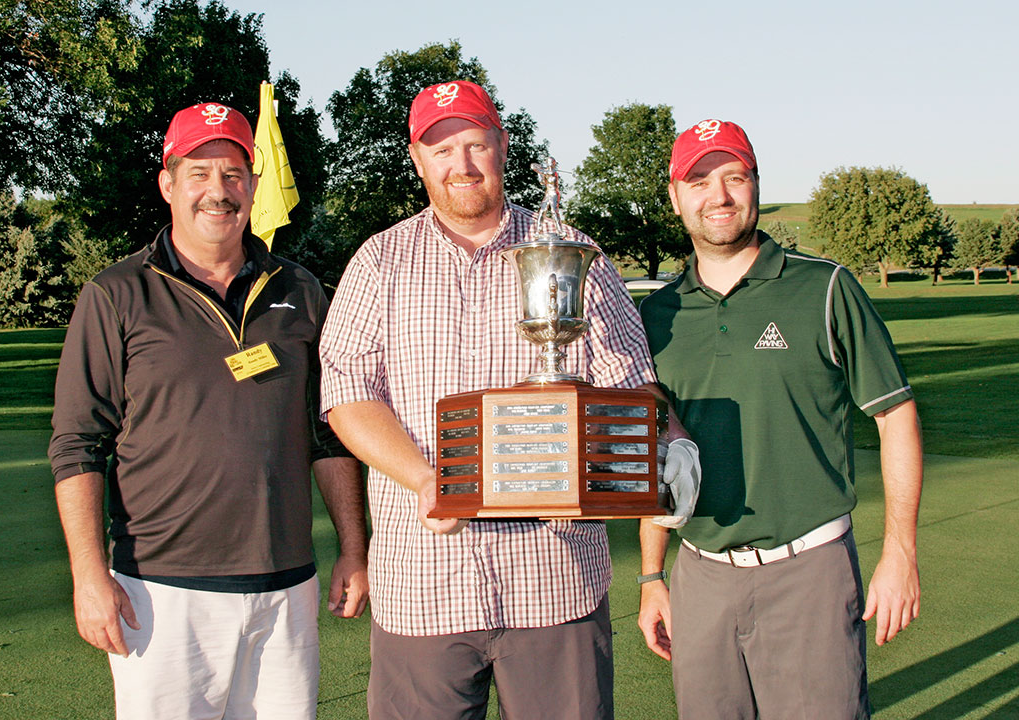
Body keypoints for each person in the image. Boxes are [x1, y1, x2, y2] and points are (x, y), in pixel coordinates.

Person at [319, 80, 698, 720]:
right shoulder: (379, 261)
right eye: (441, 149)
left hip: (555, 579)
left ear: (502, 146)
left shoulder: (576, 256)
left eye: (475, 144)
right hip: (425, 580)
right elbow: (347, 396)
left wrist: (670, 444)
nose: (461, 165)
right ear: (417, 159)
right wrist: (425, 479)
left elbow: (631, 383)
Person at [48, 102, 369, 720]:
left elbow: (327, 433)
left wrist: (353, 548)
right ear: (168, 182)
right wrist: (89, 576)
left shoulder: (299, 288)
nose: (216, 192)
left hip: (287, 585)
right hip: (162, 592)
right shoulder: (116, 292)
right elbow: (78, 443)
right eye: (199, 173)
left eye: (232, 174)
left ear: (253, 185)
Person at [637, 118, 923, 719]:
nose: (718, 196)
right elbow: (657, 452)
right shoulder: (657, 314)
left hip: (809, 572)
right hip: (702, 577)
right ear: (675, 196)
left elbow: (896, 415)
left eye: (734, 177)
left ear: (756, 185)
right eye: (699, 181)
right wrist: (652, 576)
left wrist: (900, 553)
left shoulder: (825, 288)